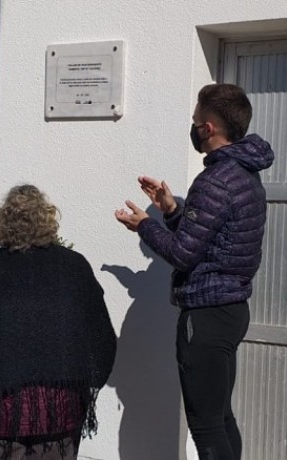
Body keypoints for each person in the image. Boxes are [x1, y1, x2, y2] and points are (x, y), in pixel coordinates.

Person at [114, 83, 274, 460]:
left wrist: (144, 226)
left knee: (205, 426)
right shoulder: (244, 173)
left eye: (196, 121)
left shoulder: (215, 180)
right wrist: (170, 209)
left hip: (205, 316)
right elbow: (208, 239)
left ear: (209, 128)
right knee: (221, 418)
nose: (193, 126)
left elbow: (184, 253)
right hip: (231, 309)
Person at [0, 185, 117, 460]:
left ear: (2, 222)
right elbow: (100, 336)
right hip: (57, 410)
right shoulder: (73, 266)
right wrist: (87, 380)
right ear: (47, 219)